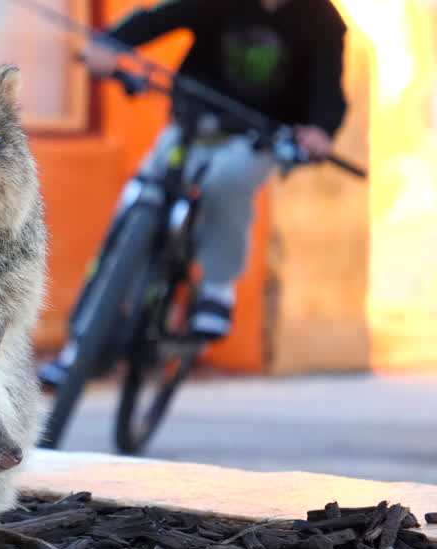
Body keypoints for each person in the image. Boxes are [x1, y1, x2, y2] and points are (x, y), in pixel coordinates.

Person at [39, 0, 348, 388]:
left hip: (259, 137)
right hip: (192, 120)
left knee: (227, 182)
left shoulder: (322, 20)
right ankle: (80, 351)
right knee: (136, 202)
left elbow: (328, 91)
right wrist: (111, 45)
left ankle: (216, 287)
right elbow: (158, 19)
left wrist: (319, 130)